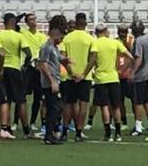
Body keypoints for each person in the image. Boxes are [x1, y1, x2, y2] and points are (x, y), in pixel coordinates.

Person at [60, 12, 97, 142]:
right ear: (86, 23)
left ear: (75, 23)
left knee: (68, 104)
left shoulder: (68, 38)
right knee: (83, 104)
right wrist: (84, 74)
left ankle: (64, 131)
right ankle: (79, 132)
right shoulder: (90, 38)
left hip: (70, 77)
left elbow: (63, 57)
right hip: (84, 78)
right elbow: (93, 59)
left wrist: (71, 72)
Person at [93, 24, 134, 142]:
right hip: (114, 77)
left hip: (101, 78)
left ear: (96, 33)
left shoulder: (95, 44)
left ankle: (108, 134)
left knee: (104, 106)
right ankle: (118, 134)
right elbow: (130, 57)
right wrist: (123, 68)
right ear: (106, 31)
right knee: (116, 106)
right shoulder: (114, 43)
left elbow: (92, 60)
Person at [0, 13, 33, 137]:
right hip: (14, 69)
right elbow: (28, 53)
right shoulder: (18, 36)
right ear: (13, 22)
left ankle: (5, 127)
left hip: (1, 69)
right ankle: (26, 128)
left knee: (5, 100)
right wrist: (25, 65)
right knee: (21, 100)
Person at [38, 23, 74, 145]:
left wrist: (66, 61)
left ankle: (50, 133)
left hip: (55, 81)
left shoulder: (54, 48)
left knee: (56, 107)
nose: (62, 39)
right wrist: (52, 81)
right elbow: (43, 64)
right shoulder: (46, 48)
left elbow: (60, 59)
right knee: (55, 107)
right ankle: (49, 135)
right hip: (50, 83)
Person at [20, 13, 47, 130]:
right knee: (22, 96)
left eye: (34, 19)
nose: (33, 21)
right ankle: (17, 122)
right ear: (26, 22)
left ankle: (32, 122)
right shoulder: (23, 33)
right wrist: (22, 15)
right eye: (30, 19)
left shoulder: (42, 37)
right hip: (27, 68)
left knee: (38, 97)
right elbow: (14, 22)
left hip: (38, 68)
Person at [129, 20, 148, 136]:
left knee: (138, 102)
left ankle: (138, 126)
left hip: (139, 76)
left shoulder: (138, 41)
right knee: (146, 101)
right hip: (145, 74)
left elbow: (138, 59)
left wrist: (132, 72)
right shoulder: (146, 39)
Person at [116, 24, 134, 129]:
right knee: (120, 100)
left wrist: (126, 44)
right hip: (118, 74)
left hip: (128, 75)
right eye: (120, 31)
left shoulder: (131, 40)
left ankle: (138, 122)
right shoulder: (115, 41)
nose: (122, 33)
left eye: (124, 31)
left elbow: (133, 54)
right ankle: (124, 122)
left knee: (134, 99)